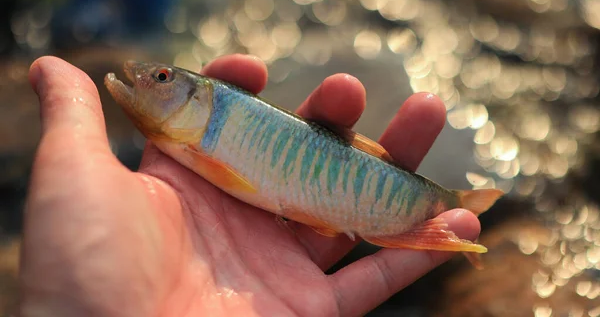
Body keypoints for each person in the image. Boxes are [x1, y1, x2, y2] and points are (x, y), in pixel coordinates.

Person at [18, 55, 481, 316]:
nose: (146, 79)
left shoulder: (195, 138)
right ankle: (457, 210)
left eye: (161, 78)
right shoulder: (185, 143)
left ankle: (455, 208)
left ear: (202, 100)